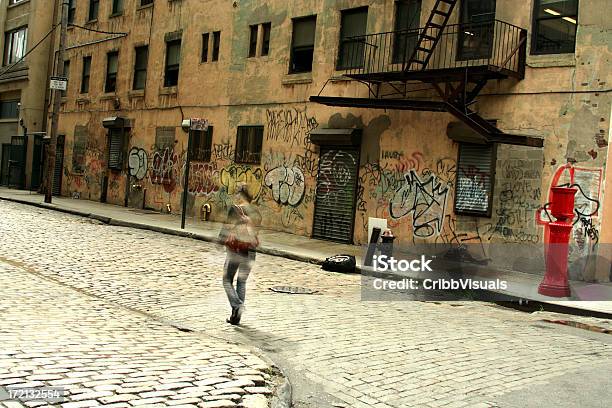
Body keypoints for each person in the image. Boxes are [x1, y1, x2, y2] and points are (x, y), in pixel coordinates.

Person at [218, 185, 261, 325]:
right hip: (251, 250)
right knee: (241, 281)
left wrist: (220, 240)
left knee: (227, 280)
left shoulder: (235, 209)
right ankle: (236, 317)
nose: (236, 196)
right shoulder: (255, 211)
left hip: (236, 250)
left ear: (241, 195)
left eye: (237, 193)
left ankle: (237, 305)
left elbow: (226, 227)